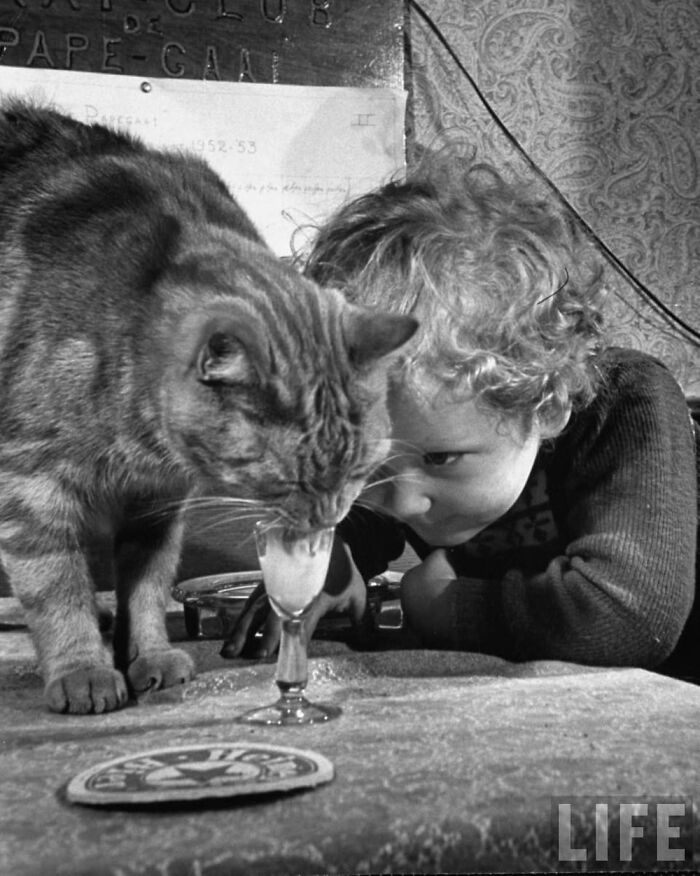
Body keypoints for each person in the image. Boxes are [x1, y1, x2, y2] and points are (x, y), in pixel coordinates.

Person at [223, 156, 699, 676]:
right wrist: (337, 555)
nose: (403, 502)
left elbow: (625, 620)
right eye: (370, 465)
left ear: (549, 404)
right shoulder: (419, 455)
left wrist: (445, 605)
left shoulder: (626, 405)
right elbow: (369, 517)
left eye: (442, 458)